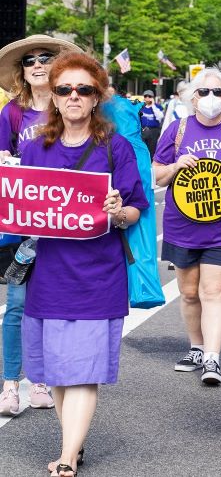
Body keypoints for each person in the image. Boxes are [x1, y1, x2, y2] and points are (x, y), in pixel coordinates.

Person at [19, 52, 147, 477]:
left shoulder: (117, 147)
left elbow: (135, 211)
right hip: (49, 274)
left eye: (84, 90)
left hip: (98, 275)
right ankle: (74, 442)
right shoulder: (35, 149)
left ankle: (68, 456)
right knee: (58, 370)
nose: (74, 96)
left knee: (83, 372)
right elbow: (20, 211)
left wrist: (116, 210)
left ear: (97, 98)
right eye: (64, 89)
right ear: (53, 97)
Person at [0, 34, 81, 416]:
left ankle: (44, 379)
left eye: (45, 57)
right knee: (16, 304)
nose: (36, 64)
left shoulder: (70, 109)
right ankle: (11, 384)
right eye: (29, 60)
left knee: (52, 304)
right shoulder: (12, 113)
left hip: (65, 223)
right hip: (23, 223)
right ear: (21, 71)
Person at [153, 69, 221, 385]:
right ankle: (196, 347)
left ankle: (212, 359)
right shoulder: (177, 131)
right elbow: (156, 175)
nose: (211, 99)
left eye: (218, 92)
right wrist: (176, 165)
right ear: (192, 97)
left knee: (213, 292)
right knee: (189, 293)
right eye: (204, 92)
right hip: (182, 224)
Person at [138, 90, 164, 157]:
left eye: (149, 96)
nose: (147, 98)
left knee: (152, 150)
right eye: (145, 96)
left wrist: (153, 105)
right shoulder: (140, 106)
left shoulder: (157, 107)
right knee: (142, 149)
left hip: (153, 131)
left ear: (153, 97)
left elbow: (160, 117)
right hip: (142, 130)